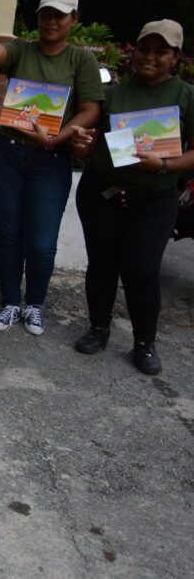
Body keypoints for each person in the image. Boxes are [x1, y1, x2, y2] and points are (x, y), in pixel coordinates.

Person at [0, 0, 104, 335]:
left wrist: (58, 138)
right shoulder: (22, 51)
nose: (51, 20)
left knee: (42, 240)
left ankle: (35, 305)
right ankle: (11, 302)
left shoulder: (81, 60)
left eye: (59, 15)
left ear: (73, 19)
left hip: (52, 158)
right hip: (8, 155)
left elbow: (91, 109)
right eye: (46, 13)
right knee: (9, 234)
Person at [69, 19, 194, 375]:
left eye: (161, 51)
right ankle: (98, 329)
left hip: (154, 200)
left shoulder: (186, 96)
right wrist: (84, 147)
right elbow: (91, 150)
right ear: (135, 51)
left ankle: (145, 343)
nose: (150, 57)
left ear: (175, 56)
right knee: (102, 264)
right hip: (102, 193)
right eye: (145, 48)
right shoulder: (113, 94)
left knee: (142, 270)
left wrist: (165, 164)